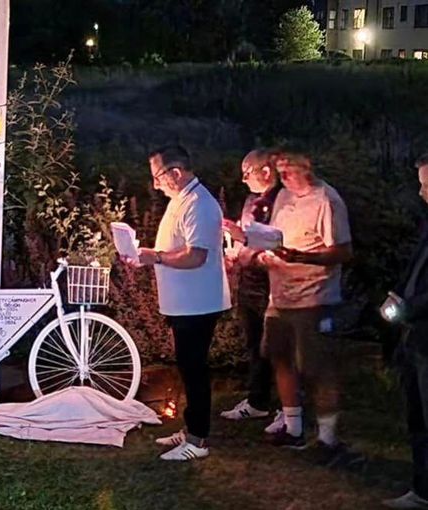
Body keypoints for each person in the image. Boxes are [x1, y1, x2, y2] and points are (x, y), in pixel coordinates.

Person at [125, 145, 231, 461]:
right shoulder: (181, 201)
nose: (155, 184)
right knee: (187, 368)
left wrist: (154, 256)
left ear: (176, 172)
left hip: (197, 304)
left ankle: (197, 441)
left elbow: (196, 255)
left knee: (195, 369)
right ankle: (190, 429)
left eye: (158, 177)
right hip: (182, 303)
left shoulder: (200, 204)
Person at [256, 150, 352, 450]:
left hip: (314, 296)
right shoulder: (284, 197)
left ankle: (327, 438)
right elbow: (277, 237)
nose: (282, 176)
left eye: (288, 170)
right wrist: (261, 252)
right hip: (280, 295)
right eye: (279, 170)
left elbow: (343, 251)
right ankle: (293, 426)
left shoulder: (326, 200)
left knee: (317, 366)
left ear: (307, 168)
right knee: (279, 356)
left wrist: (305, 257)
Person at [219, 149, 285, 431]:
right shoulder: (251, 201)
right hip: (249, 283)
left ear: (266, 171)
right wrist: (234, 252)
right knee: (254, 344)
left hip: (274, 283)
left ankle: (288, 407)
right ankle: (257, 401)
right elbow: (246, 237)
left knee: (279, 347)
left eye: (247, 173)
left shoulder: (284, 201)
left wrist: (244, 239)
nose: (243, 179)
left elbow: (279, 240)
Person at [380, 153, 428, 510]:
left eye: (427, 184)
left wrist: (410, 306)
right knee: (418, 417)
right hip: (416, 336)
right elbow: (415, 269)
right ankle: (423, 489)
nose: (422, 191)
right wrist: (396, 295)